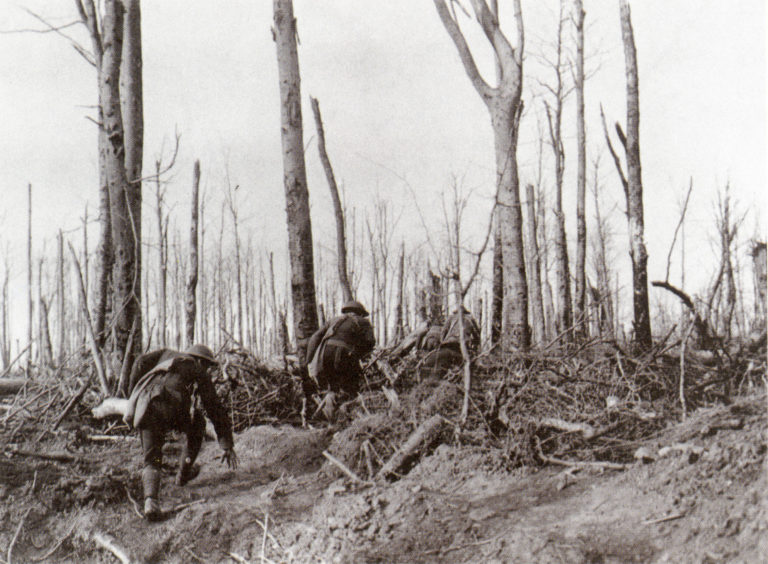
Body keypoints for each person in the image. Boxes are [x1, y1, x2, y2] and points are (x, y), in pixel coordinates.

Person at [124, 344, 237, 521]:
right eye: (207, 365)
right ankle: (183, 474)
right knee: (198, 423)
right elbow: (215, 410)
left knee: (152, 457)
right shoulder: (198, 370)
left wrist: (130, 393)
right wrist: (226, 444)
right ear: (200, 361)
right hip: (170, 408)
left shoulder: (166, 354)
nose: (207, 369)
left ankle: (150, 502)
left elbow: (139, 362)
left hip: (146, 406)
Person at [306, 300, 376, 412]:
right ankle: (347, 418)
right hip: (344, 355)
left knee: (333, 388)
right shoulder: (363, 321)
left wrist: (308, 361)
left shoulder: (333, 320)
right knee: (351, 387)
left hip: (325, 355)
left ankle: (331, 420)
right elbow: (370, 342)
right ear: (360, 313)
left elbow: (315, 337)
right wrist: (359, 355)